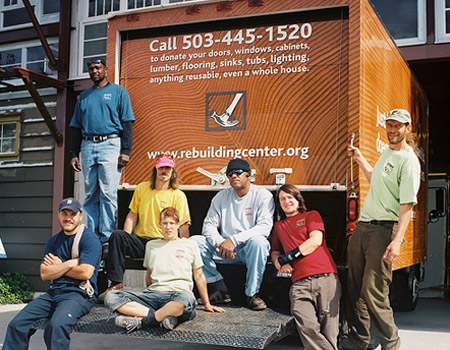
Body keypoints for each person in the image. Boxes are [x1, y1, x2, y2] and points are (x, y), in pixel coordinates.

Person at [343, 109, 421, 350]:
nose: (392, 130)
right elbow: (375, 178)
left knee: (373, 290)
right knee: (354, 287)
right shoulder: (387, 152)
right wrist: (359, 159)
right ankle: (359, 340)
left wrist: (397, 241)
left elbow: (407, 205)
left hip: (383, 230)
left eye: (397, 126)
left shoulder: (408, 161)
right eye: (389, 125)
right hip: (364, 228)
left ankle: (391, 343)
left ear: (407, 128)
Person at [104, 207, 224, 332]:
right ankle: (164, 317)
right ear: (159, 225)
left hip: (177, 295)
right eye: (165, 223)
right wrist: (148, 296)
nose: (168, 227)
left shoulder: (190, 245)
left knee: (187, 298)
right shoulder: (151, 246)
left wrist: (207, 304)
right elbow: (149, 277)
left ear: (178, 224)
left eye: (172, 223)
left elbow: (199, 276)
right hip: (153, 295)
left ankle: (144, 320)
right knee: (111, 297)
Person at [3, 198, 101, 350]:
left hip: (78, 294)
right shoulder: (53, 241)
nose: (68, 218)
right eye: (64, 213)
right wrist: (69, 263)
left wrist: (58, 267)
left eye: (72, 214)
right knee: (17, 325)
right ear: (58, 215)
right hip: (52, 294)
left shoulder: (89, 239)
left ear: (80, 216)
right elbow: (45, 273)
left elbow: (85, 272)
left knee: (56, 326)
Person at [98, 154, 191, 299]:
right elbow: (132, 216)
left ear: (173, 171)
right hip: (142, 242)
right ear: (156, 169)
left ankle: (161, 293)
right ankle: (116, 284)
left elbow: (183, 226)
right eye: (161, 168)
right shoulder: (142, 188)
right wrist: (126, 238)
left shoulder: (178, 195)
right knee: (117, 235)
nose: (164, 171)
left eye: (168, 168)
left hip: (163, 244)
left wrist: (185, 249)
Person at [190, 158, 275, 310]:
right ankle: (220, 288)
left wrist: (234, 240)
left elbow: (264, 227)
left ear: (248, 174)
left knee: (259, 243)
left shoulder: (263, 195)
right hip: (224, 250)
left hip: (246, 249)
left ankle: (251, 294)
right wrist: (221, 242)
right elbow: (208, 226)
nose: (234, 176)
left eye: (238, 172)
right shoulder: (221, 197)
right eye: (230, 174)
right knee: (194, 242)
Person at [69, 57, 135, 246]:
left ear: (105, 69)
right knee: (90, 194)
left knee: (108, 192)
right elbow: (75, 127)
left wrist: (125, 151)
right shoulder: (84, 96)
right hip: (88, 145)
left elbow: (127, 123)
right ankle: (93, 235)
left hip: (111, 143)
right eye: (91, 69)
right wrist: (73, 153)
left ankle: (106, 237)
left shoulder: (118, 92)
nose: (94, 71)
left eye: (97, 67)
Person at [271, 184, 341, 350]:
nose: (287, 201)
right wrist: (279, 263)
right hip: (299, 283)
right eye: (282, 199)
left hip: (326, 277)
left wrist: (290, 256)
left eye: (290, 197)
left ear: (298, 200)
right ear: (279, 204)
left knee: (329, 330)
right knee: (306, 325)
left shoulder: (311, 215)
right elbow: (274, 251)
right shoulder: (278, 226)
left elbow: (315, 241)